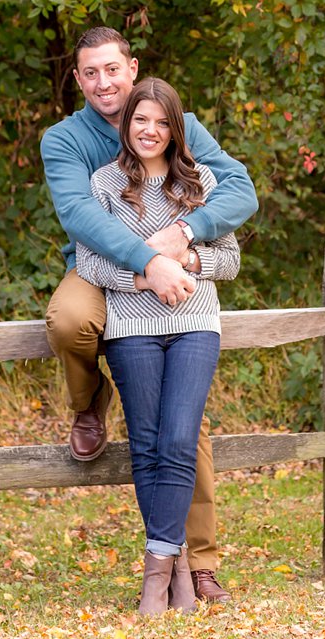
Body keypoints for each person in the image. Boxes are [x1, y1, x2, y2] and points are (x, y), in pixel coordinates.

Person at [38, 26, 257, 604]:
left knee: (186, 425)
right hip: (103, 270)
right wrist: (146, 266)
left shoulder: (172, 120)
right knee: (68, 321)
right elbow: (83, 222)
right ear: (78, 78)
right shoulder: (65, 141)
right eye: (90, 72)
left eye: (112, 69)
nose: (103, 82)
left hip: (178, 286)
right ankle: (89, 403)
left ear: (131, 68)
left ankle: (197, 562)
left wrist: (186, 235)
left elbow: (237, 189)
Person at [75, 77, 241, 614]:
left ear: (176, 129)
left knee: (177, 439)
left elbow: (230, 261)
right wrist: (145, 278)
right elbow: (91, 263)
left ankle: (161, 572)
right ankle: (169, 578)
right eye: (140, 120)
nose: (150, 130)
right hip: (130, 328)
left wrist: (188, 261)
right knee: (146, 446)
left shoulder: (201, 184)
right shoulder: (102, 186)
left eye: (162, 122)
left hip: (195, 323)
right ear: (127, 125)